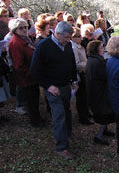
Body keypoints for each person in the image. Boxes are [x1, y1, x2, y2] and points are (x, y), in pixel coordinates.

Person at [30, 21, 77, 159]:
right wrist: (49, 86)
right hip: (52, 88)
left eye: (70, 38)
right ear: (57, 34)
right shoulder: (43, 46)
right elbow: (35, 70)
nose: (69, 40)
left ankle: (67, 134)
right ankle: (62, 147)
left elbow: (71, 62)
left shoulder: (67, 45)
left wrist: (74, 81)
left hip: (65, 86)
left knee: (67, 110)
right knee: (59, 115)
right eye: (67, 37)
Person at [9, 18, 44, 127]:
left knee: (34, 98)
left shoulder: (25, 39)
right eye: (21, 27)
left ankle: (37, 118)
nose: (24, 29)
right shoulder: (16, 42)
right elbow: (18, 65)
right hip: (26, 78)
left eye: (26, 27)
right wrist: (31, 73)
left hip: (31, 76)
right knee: (31, 101)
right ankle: (35, 122)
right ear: (15, 29)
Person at [86, 40, 116, 145]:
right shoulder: (98, 62)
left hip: (95, 91)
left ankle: (104, 130)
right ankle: (98, 136)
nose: (103, 50)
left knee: (105, 113)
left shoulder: (92, 59)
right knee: (105, 114)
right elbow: (105, 76)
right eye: (101, 48)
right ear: (96, 50)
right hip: (100, 93)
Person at [70, 27, 92, 125]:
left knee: (85, 95)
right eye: (77, 36)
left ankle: (86, 113)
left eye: (80, 36)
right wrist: (87, 64)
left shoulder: (79, 45)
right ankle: (82, 117)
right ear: (72, 37)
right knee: (81, 97)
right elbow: (76, 64)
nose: (80, 38)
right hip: (79, 75)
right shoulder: (73, 47)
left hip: (84, 73)